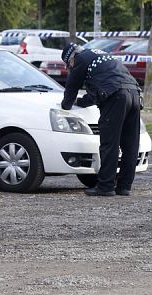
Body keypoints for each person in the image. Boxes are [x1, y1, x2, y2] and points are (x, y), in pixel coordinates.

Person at [60, 43, 142, 197]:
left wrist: (66, 105)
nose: (70, 67)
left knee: (110, 144)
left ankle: (105, 186)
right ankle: (124, 186)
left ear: (70, 58)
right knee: (130, 144)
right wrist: (82, 102)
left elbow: (71, 87)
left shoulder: (80, 59)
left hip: (116, 97)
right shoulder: (100, 55)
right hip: (134, 94)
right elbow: (98, 90)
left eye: (68, 65)